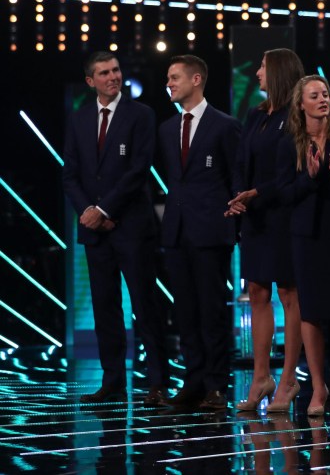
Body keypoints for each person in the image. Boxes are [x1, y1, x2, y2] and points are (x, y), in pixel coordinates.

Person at [63, 51, 169, 404]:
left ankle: (157, 381)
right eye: (104, 72)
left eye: (116, 70)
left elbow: (138, 169)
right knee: (104, 305)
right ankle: (112, 381)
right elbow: (71, 174)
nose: (113, 77)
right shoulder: (78, 119)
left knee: (145, 303)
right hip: (95, 230)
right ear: (90, 81)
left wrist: (105, 208)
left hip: (132, 226)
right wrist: (88, 212)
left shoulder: (141, 114)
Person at [277, 75, 330, 417]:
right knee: (310, 312)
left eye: (325, 94)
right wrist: (310, 177)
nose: (323, 99)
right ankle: (317, 386)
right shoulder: (289, 143)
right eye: (314, 95)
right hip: (306, 233)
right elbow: (283, 193)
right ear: (301, 104)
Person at [159, 55, 241, 410]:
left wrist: (233, 226)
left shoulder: (225, 126)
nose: (169, 83)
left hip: (211, 231)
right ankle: (192, 381)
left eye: (175, 77)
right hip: (176, 233)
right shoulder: (166, 129)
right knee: (186, 312)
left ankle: (216, 385)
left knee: (211, 312)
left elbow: (236, 179)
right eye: (167, 78)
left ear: (196, 79)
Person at [227, 48, 305, 412]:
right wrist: (240, 198)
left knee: (290, 296)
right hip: (255, 218)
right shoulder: (256, 115)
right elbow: (242, 160)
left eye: (261, 66)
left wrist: (259, 193)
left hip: (285, 216)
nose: (257, 72)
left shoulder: (297, 115)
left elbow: (294, 172)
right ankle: (262, 376)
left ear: (277, 72)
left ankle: (289, 379)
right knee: (257, 293)